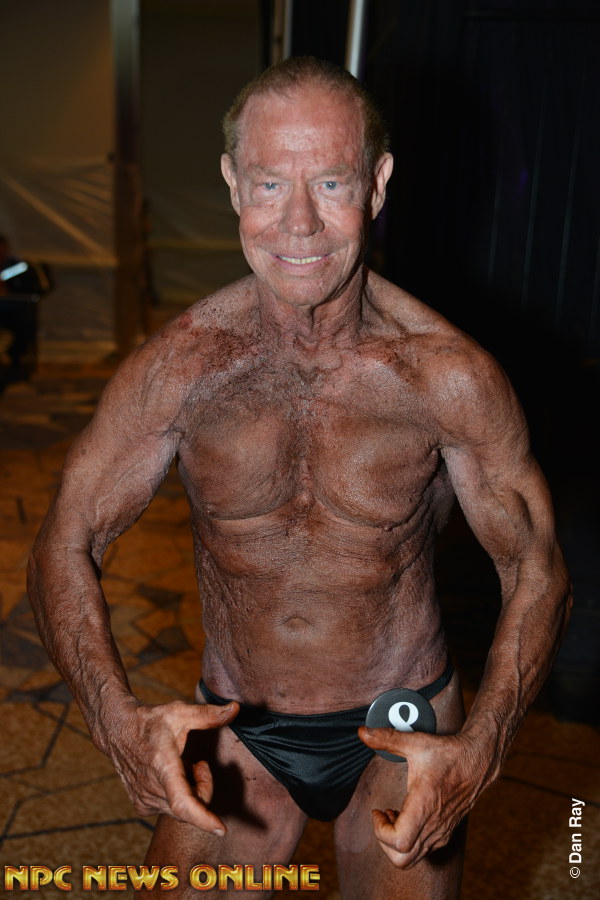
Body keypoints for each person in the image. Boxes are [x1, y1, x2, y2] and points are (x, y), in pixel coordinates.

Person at [28, 57, 571, 898]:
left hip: (403, 720)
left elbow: (535, 564)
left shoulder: (445, 376)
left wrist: (484, 746)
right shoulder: (180, 371)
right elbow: (64, 540)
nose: (301, 223)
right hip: (241, 722)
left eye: (331, 182)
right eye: (271, 184)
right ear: (232, 184)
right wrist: (113, 719)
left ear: (377, 184)